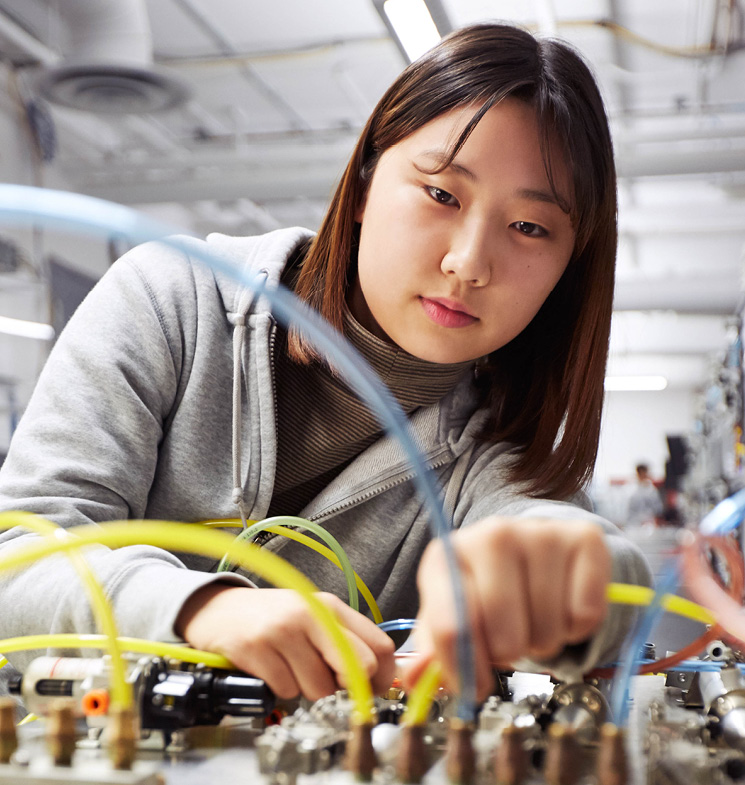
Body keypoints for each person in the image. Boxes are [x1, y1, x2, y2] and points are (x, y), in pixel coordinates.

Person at [0, 23, 649, 703]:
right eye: (441, 195)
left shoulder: (498, 450)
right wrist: (201, 609)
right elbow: (17, 557)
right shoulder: (173, 300)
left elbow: (589, 562)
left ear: (567, 269)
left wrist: (568, 572)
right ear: (365, 183)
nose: (468, 263)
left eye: (529, 228)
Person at [626, 463, 664, 528]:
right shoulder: (632, 490)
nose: (642, 476)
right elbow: (629, 511)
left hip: (649, 525)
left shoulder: (652, 491)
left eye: (643, 473)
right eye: (640, 473)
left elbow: (658, 509)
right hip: (634, 525)